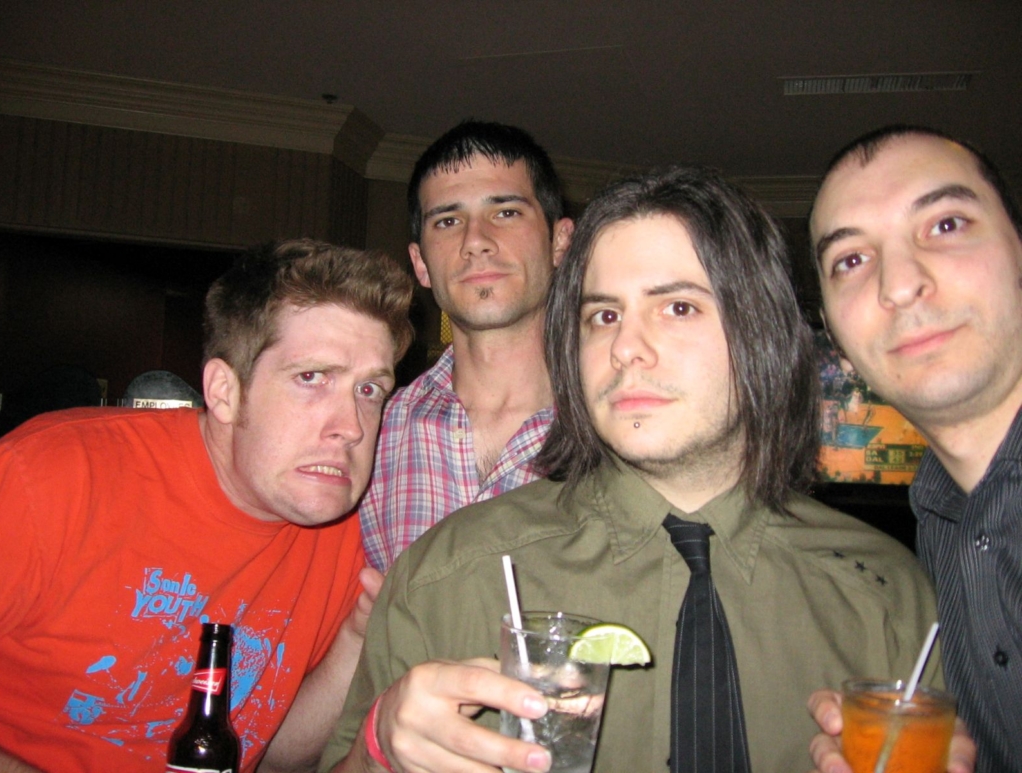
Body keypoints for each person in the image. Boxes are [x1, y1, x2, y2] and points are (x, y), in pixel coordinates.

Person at [320, 166, 946, 773]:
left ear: (762, 332)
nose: (624, 348)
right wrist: (378, 757)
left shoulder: (888, 597)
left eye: (678, 308)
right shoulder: (446, 577)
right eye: (604, 316)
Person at [0, 239, 413, 773]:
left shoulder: (355, 535)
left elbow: (273, 753)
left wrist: (357, 637)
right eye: (311, 378)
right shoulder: (48, 476)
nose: (351, 428)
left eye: (370, 390)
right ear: (224, 391)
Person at [809, 125, 1022, 773]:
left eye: (946, 224)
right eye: (851, 259)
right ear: (836, 340)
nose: (898, 284)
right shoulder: (940, 524)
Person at [359, 120, 574, 571]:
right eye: (448, 221)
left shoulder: (624, 431)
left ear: (559, 241)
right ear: (420, 263)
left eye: (506, 212)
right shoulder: (367, 435)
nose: (476, 241)